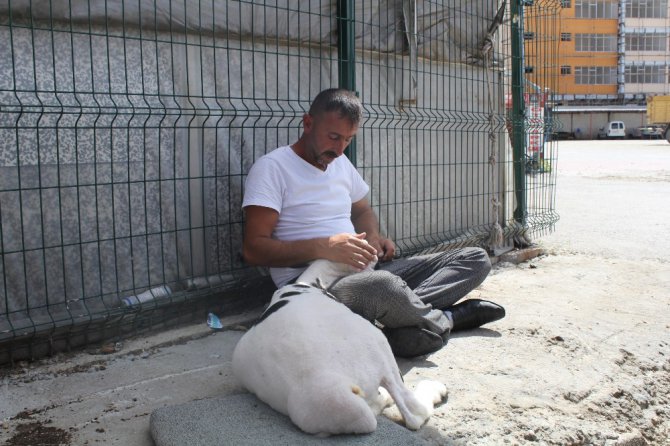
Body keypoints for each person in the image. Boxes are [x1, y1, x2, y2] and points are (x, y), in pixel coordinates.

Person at [242, 88, 505, 357]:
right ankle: (447, 319)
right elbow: (254, 250)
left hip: (364, 271)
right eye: (333, 137)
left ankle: (402, 326)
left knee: (475, 258)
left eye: (348, 139)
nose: (339, 148)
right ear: (308, 123)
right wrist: (325, 247)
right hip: (317, 288)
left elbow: (362, 210)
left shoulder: (340, 162)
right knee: (383, 286)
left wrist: (373, 238)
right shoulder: (272, 169)